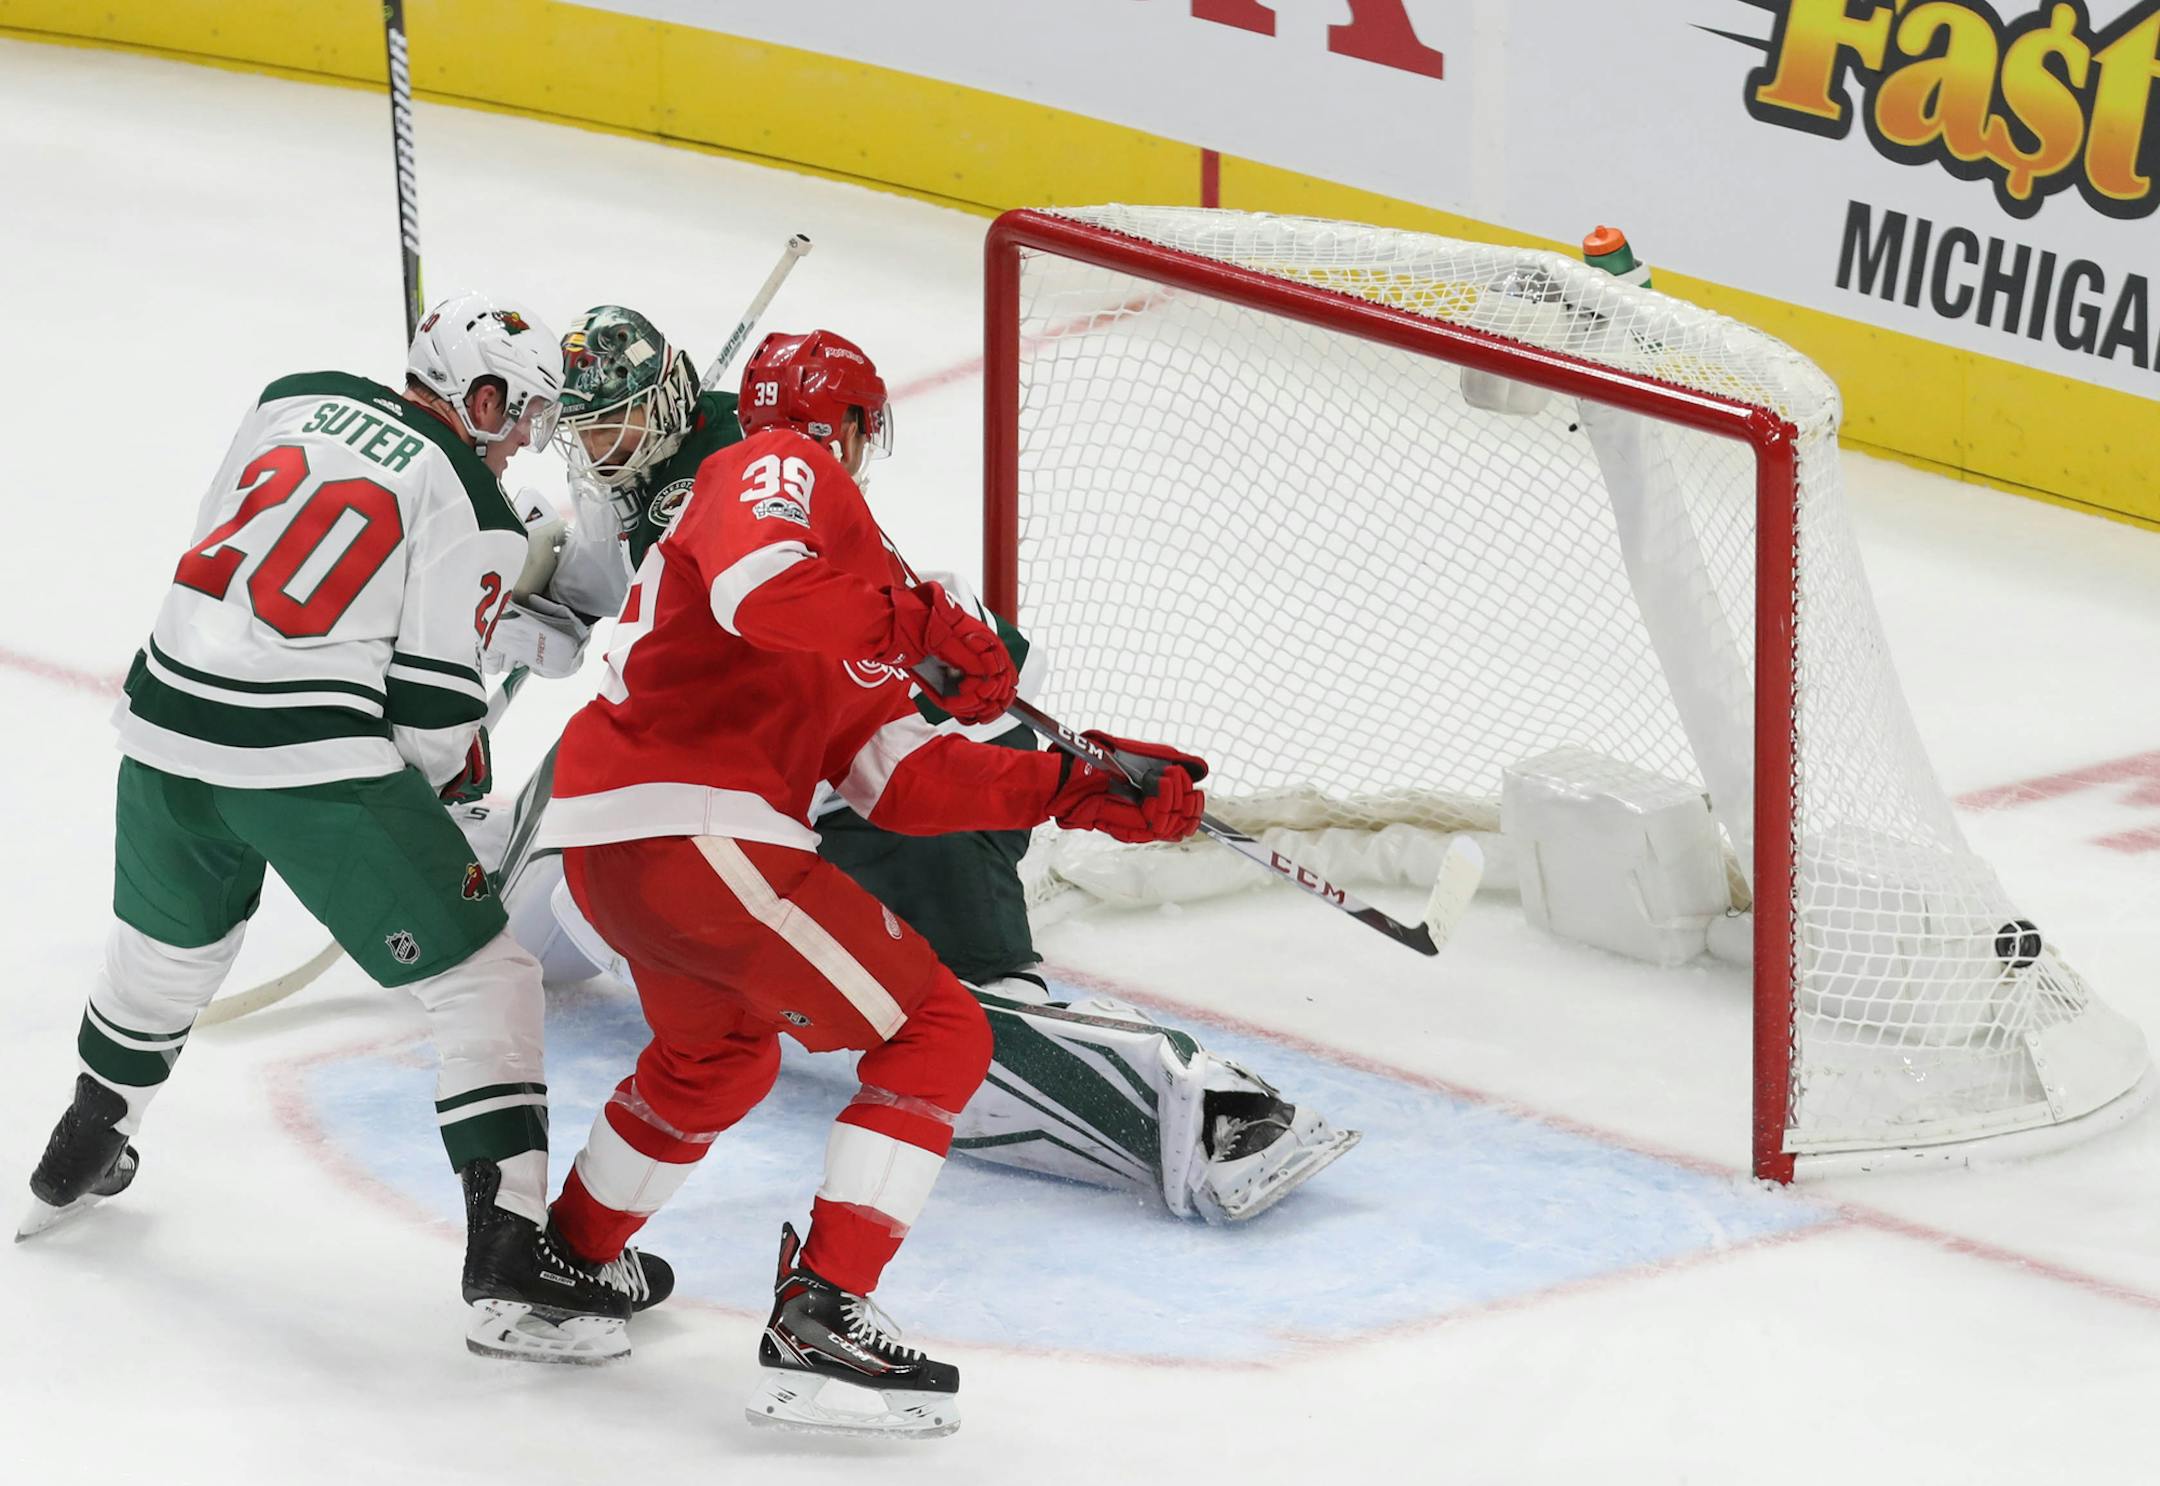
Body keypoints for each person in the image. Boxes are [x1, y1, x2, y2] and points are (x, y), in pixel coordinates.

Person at [480, 306, 1356, 1230]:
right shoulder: (798, 512)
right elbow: (795, 650)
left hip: (752, 803)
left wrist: (1070, 784)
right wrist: (1063, 774)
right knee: (938, 1017)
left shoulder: (778, 501)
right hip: (756, 797)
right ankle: (591, 1250)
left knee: (948, 1019)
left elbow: (881, 750)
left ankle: (1195, 1105)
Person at [520, 325, 1207, 1437]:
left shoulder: (848, 581)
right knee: (939, 1032)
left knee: (716, 1062)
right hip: (701, 835)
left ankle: (567, 1260)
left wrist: (1073, 786)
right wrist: (916, 620)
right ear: (849, 422)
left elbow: (899, 779)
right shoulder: (774, 466)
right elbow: (756, 589)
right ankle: (824, 1319)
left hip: (615, 853)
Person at [19, 293, 671, 1366]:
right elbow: (424, 722)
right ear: (487, 395)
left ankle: (81, 1147)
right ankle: (510, 1259)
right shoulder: (476, 502)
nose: (527, 444)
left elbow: (281, 575)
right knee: (484, 978)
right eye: (525, 418)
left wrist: (478, 601)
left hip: (162, 726)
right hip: (309, 764)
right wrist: (459, 727)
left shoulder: (285, 404)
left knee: (166, 955)